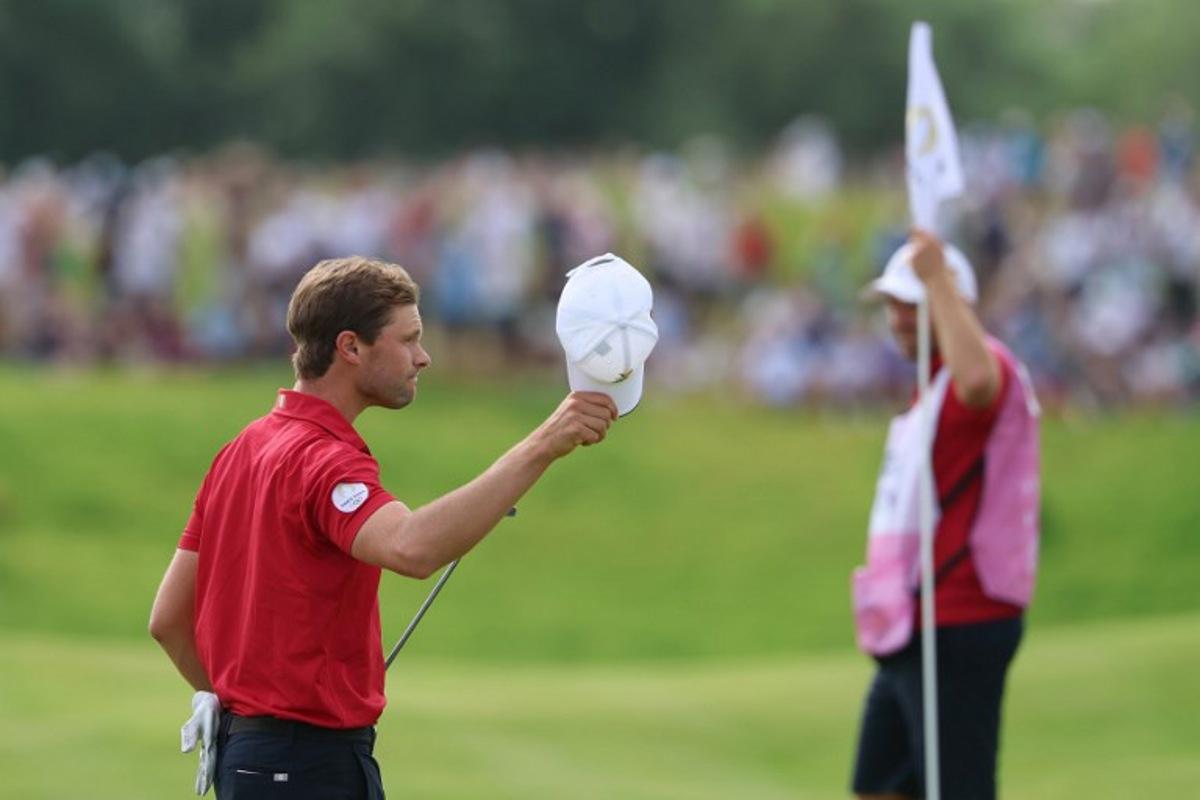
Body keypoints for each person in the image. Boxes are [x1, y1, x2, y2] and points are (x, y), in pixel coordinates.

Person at [149, 255, 618, 799]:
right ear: (350, 347)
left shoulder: (241, 450)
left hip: (253, 759)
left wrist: (245, 713)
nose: (424, 357)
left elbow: (168, 620)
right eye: (409, 339)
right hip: (305, 768)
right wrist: (544, 443)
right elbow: (411, 548)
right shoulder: (324, 460)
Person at [850, 229, 1041, 799]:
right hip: (917, 615)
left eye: (911, 306)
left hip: (960, 611)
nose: (897, 319)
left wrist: (936, 279)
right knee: (880, 786)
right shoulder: (929, 392)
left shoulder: (985, 369)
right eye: (892, 305)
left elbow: (979, 381)